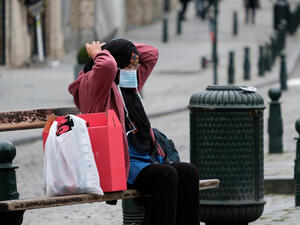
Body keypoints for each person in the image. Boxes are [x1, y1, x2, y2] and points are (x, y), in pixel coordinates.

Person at [68, 38, 200, 225]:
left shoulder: (128, 84)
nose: (133, 71)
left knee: (188, 173)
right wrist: (99, 53)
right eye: (129, 66)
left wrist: (112, 47)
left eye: (135, 66)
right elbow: (106, 65)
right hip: (120, 163)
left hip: (145, 158)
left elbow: (151, 53)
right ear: (117, 66)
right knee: (166, 176)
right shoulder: (95, 86)